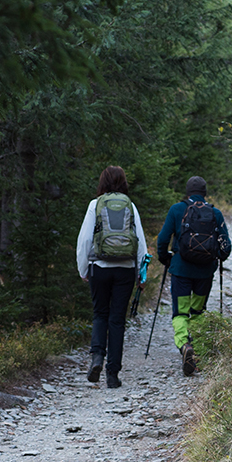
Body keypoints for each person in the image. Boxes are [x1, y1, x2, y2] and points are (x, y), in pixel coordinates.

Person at [75, 165, 150, 390]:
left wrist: (83, 269)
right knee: (117, 320)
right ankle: (112, 375)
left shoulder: (94, 205)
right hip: (125, 269)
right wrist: (141, 274)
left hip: (99, 266)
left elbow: (85, 240)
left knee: (100, 314)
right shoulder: (130, 205)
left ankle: (97, 357)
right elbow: (141, 243)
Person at [156, 175, 232, 376]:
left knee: (181, 312)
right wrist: (218, 257)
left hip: (181, 270)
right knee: (198, 311)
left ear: (187, 192)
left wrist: (165, 259)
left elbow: (163, 239)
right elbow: (226, 247)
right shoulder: (215, 212)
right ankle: (196, 352)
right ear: (205, 193)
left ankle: (184, 346)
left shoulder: (177, 210)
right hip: (205, 272)